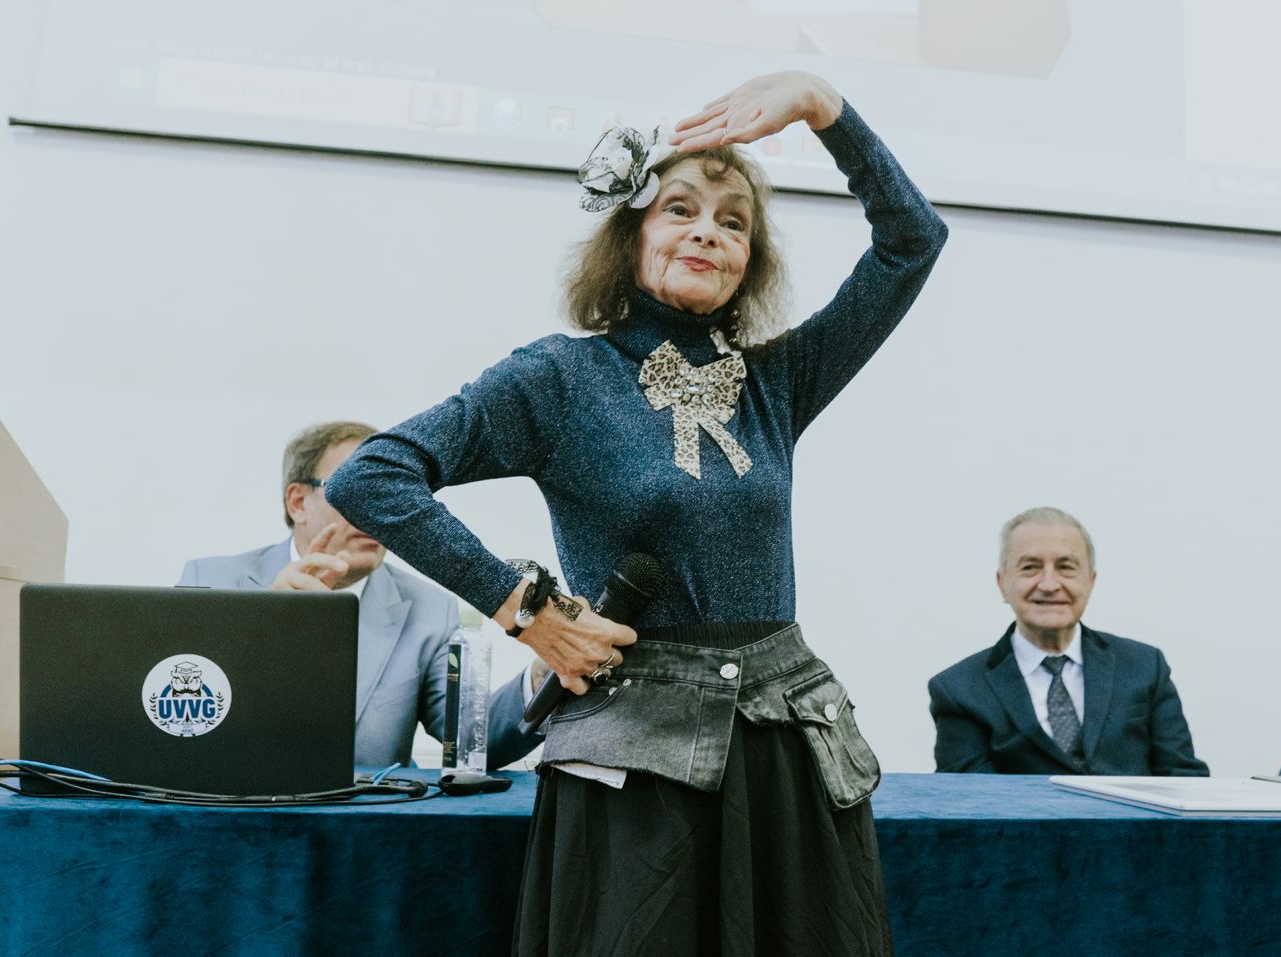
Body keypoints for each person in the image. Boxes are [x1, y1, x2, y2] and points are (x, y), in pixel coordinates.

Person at [325, 71, 947, 956]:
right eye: (680, 209)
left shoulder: (776, 380)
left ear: (750, 259)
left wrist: (822, 106)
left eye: (734, 221)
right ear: (631, 234)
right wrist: (526, 609)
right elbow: (372, 476)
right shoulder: (558, 377)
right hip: (637, 764)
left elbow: (913, 241)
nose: (708, 231)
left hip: (785, 752)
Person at [178, 420, 543, 770]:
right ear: (298, 502)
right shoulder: (208, 582)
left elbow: (470, 739)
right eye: (353, 489)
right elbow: (181, 718)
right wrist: (262, 627)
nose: (373, 509)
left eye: (383, 492)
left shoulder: (429, 610)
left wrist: (540, 682)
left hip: (365, 809)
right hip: (237, 802)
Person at [928, 506, 1208, 776]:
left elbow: (1183, 780)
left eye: (1066, 567)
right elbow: (969, 799)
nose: (1049, 585)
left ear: (1090, 581)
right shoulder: (959, 691)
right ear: (1002, 584)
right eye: (1030, 567)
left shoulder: (1145, 668)